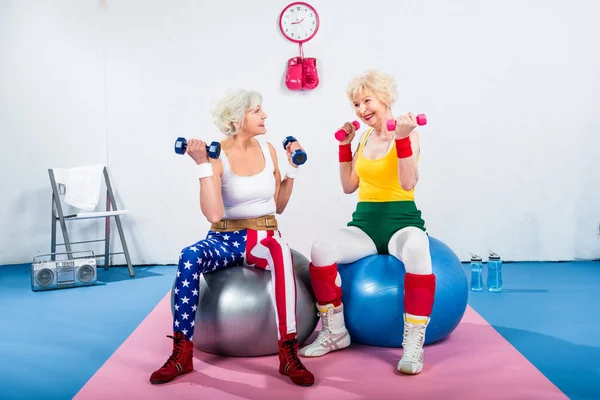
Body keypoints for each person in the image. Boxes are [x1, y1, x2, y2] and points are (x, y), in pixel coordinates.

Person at [150, 88, 315, 387]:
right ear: (238, 119)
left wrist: (293, 170)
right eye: (256, 111)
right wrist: (201, 163)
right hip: (223, 239)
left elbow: (278, 205)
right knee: (189, 254)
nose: (264, 115)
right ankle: (181, 353)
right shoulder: (217, 155)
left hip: (263, 237)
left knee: (279, 249)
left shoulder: (269, 151)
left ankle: (288, 352)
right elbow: (213, 214)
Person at [299, 70, 436, 375]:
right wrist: (345, 145)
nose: (361, 110)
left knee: (417, 250)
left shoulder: (409, 134)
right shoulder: (363, 137)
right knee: (321, 248)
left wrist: (400, 139)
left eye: (367, 101)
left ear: (384, 98)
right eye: (356, 104)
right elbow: (349, 186)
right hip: (365, 223)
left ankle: (413, 344)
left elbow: (408, 180)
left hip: (402, 220)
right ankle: (335, 332)